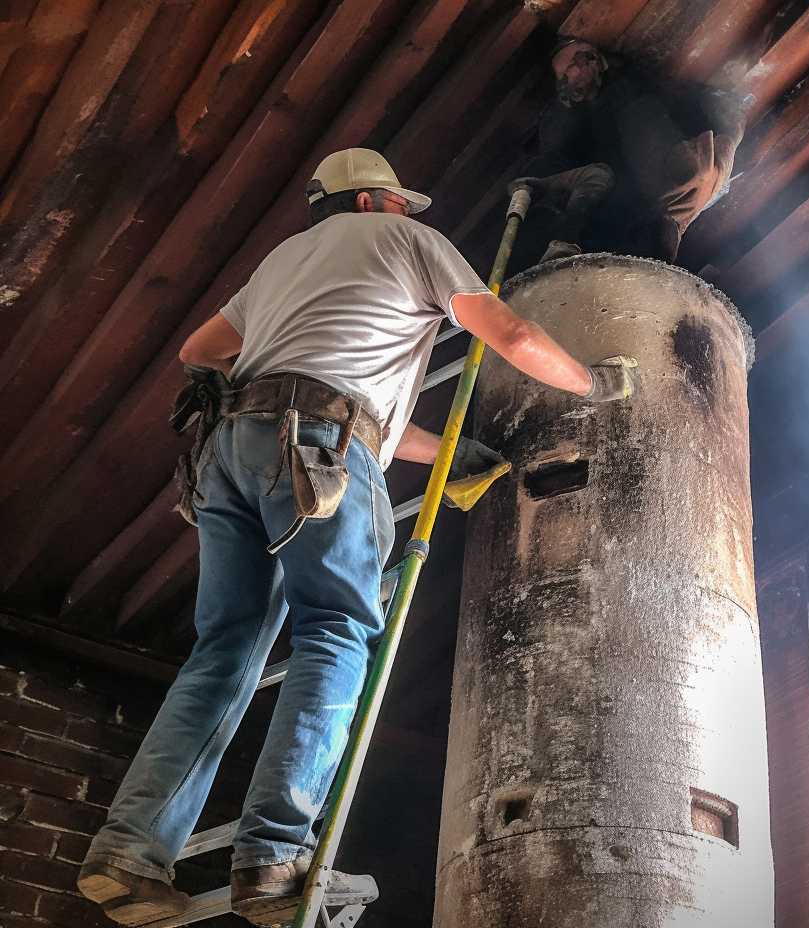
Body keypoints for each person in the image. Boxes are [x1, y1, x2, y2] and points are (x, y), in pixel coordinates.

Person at [75, 148, 637, 927]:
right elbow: (503, 329)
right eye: (401, 202)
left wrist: (446, 454)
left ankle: (128, 852)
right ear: (375, 201)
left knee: (223, 655)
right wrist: (594, 383)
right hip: (318, 444)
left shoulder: (283, 261)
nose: (409, 211)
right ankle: (273, 853)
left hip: (231, 455)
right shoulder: (409, 242)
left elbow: (202, 354)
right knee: (336, 630)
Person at [510, 36, 750, 269]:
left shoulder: (635, 83)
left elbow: (686, 104)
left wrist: (726, 120)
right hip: (620, 213)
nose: (581, 65)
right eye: (570, 67)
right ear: (562, 87)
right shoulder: (568, 125)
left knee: (693, 170)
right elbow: (554, 158)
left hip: (663, 186)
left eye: (585, 56)